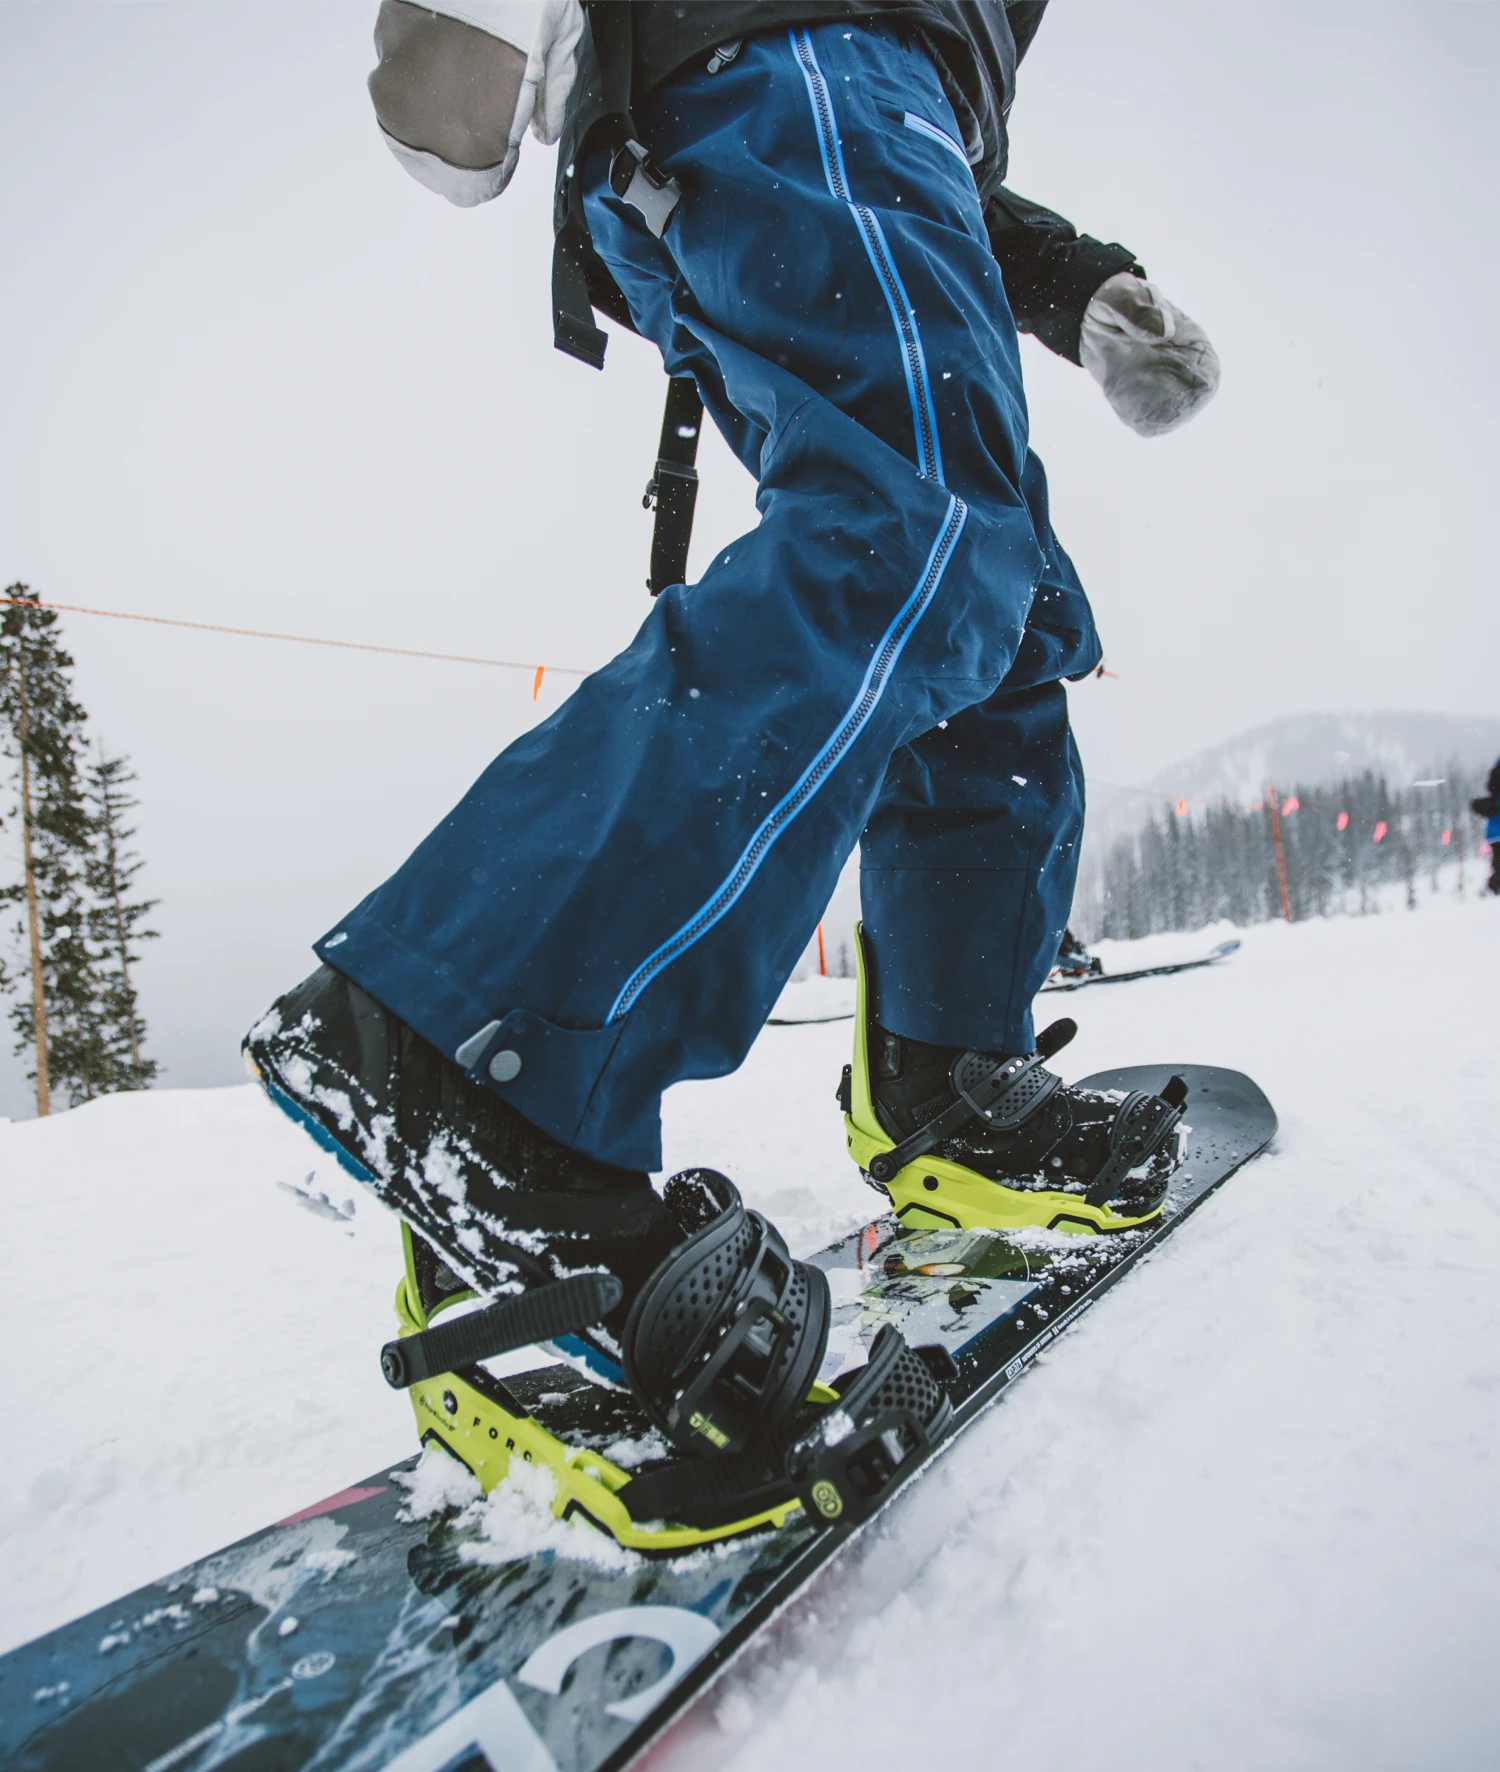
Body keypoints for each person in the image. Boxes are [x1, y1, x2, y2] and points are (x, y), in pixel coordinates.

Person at [244, 0, 1219, 1473]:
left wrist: (1072, 280)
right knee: (917, 538)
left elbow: (930, 102)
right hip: (782, 57)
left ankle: (948, 1070)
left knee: (987, 600)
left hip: (854, 106)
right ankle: (479, 1077)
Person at [1473, 755, 1500, 894]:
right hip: (1496, 833)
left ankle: (1495, 886)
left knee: (1498, 865)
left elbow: (1491, 786)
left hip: (1495, 833)